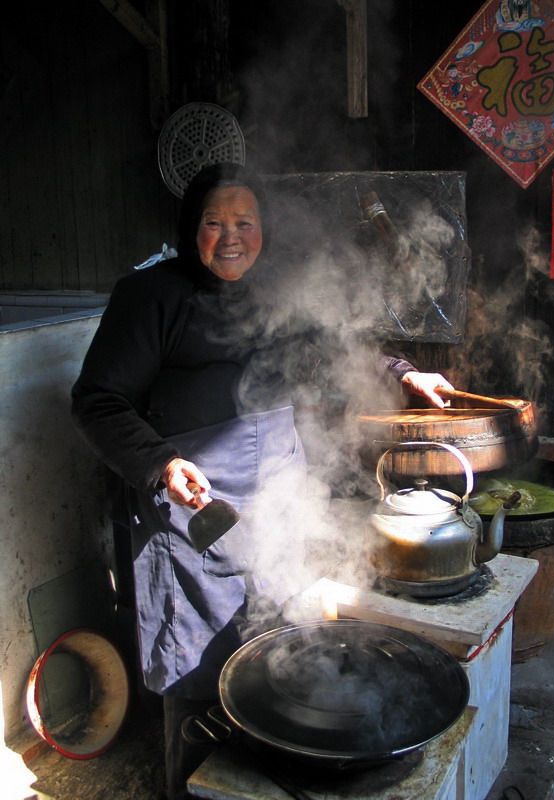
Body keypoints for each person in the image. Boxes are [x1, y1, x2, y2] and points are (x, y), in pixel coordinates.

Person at [71, 162, 454, 799]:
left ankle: (269, 769)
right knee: (196, 655)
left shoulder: (275, 292)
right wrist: (162, 465)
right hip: (193, 502)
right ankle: (187, 781)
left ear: (263, 231)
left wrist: (405, 372)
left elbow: (332, 348)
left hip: (278, 494)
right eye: (213, 223)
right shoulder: (150, 297)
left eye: (244, 223)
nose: (230, 237)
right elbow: (98, 401)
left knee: (276, 640)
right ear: (188, 229)